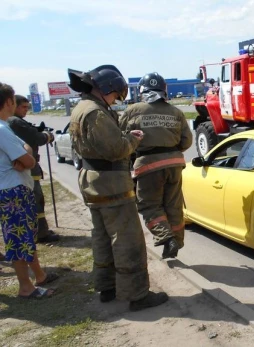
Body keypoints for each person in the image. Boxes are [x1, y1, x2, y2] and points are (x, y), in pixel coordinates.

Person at [67, 65, 168, 311]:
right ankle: (138, 295)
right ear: (106, 88)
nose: (114, 100)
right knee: (128, 240)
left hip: (93, 182)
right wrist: (133, 139)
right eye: (114, 95)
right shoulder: (96, 112)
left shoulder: (82, 107)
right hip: (111, 184)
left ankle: (107, 287)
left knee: (102, 237)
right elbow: (116, 149)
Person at [119, 72, 192, 259]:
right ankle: (176, 240)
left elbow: (121, 138)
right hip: (174, 164)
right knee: (173, 205)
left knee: (149, 205)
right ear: (164, 90)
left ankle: (167, 238)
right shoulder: (176, 112)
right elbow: (186, 141)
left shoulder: (133, 110)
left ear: (142, 90)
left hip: (148, 165)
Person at [0, 81, 59, 298]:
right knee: (18, 239)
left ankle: (39, 275)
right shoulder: (2, 130)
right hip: (12, 191)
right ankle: (26, 287)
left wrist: (25, 157)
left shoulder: (5, 126)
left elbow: (25, 150)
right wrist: (26, 158)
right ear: (8, 101)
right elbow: (29, 158)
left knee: (26, 236)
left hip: (12, 188)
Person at [7, 95, 60, 243]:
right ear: (13, 106)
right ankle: (40, 233)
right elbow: (36, 138)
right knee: (36, 199)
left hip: (27, 166)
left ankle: (40, 230)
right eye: (23, 107)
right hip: (27, 168)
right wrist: (47, 136)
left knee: (37, 199)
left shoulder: (14, 122)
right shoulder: (15, 122)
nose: (26, 110)